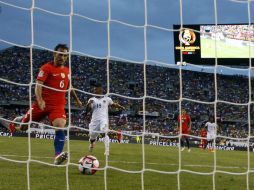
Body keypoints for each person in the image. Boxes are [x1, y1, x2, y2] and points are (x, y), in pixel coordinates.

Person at [9, 44, 82, 165]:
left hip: (58, 106)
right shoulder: (46, 68)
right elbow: (38, 85)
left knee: (60, 125)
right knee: (22, 128)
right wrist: (40, 100)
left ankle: (57, 155)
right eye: (60, 54)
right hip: (41, 104)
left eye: (65, 55)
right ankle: (17, 123)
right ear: (54, 54)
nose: (62, 57)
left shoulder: (67, 70)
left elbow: (69, 86)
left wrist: (77, 99)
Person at [84, 83, 125, 156]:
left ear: (100, 89)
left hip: (104, 119)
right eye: (94, 89)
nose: (94, 90)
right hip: (94, 121)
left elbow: (113, 104)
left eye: (96, 89)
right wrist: (88, 104)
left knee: (104, 132)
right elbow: (87, 110)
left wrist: (120, 107)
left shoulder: (107, 99)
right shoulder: (91, 99)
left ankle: (107, 151)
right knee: (92, 136)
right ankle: (92, 143)